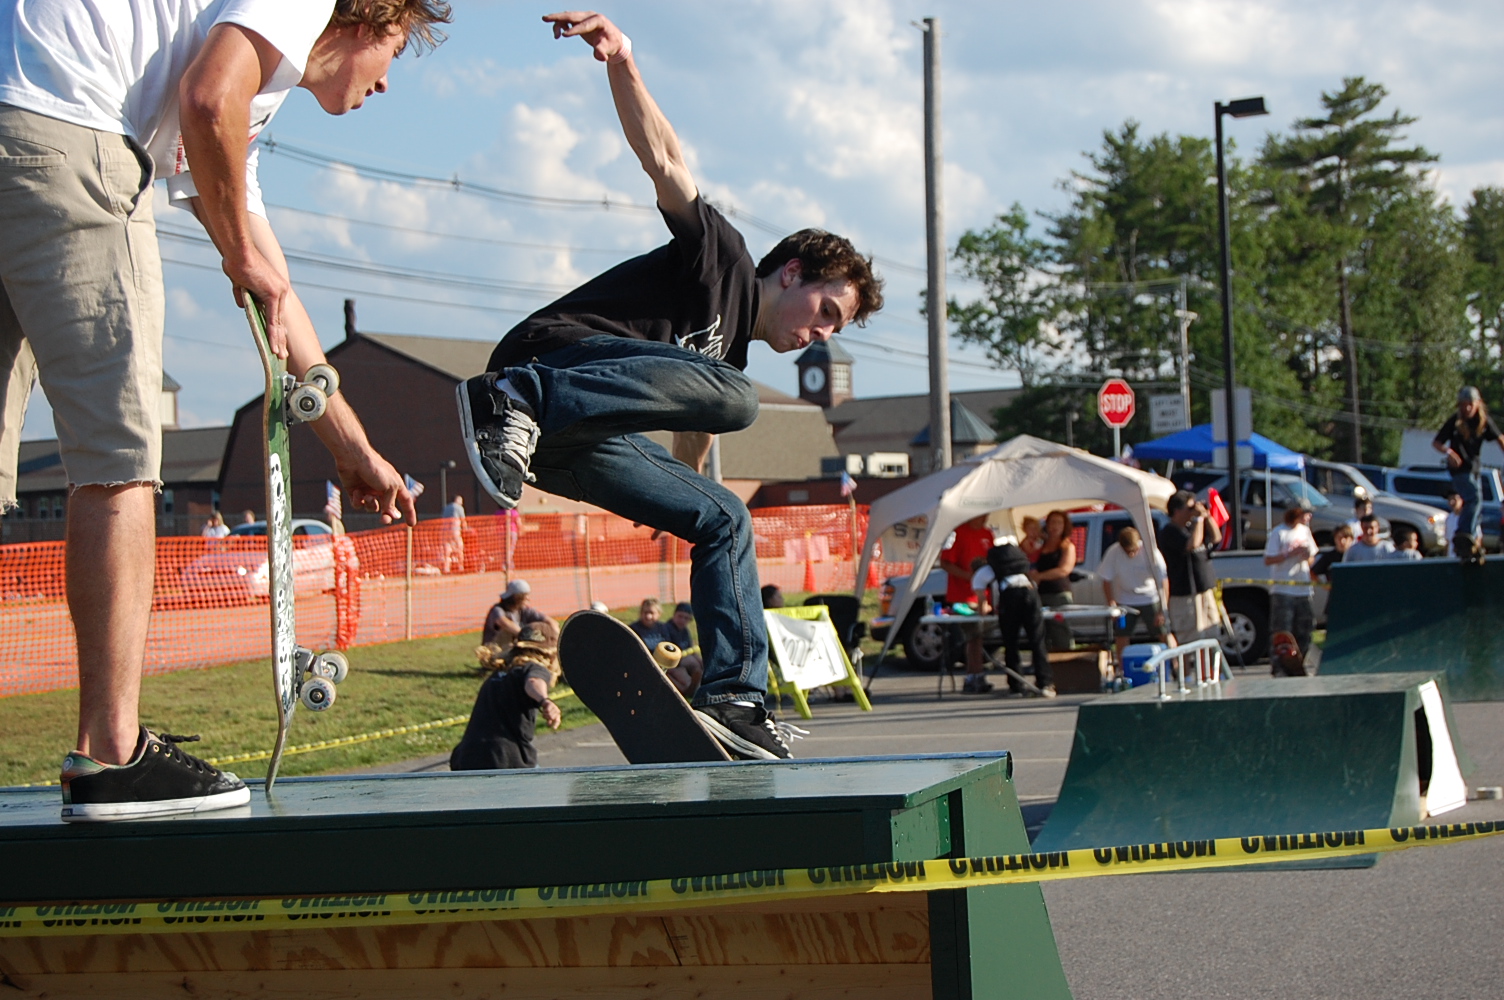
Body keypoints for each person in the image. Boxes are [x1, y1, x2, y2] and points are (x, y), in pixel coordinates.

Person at [2, 0, 444, 822]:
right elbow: (211, 97)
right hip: (72, 131)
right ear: (366, 15)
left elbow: (271, 282)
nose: (388, 83)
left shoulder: (243, 89)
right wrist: (241, 256)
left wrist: (350, 447)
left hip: (20, 115)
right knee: (118, 461)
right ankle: (110, 754)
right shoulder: (284, 16)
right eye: (397, 45)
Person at [454, 13, 883, 759]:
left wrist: (673, 495)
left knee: (723, 516)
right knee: (737, 400)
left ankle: (735, 698)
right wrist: (623, 62)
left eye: (833, 332)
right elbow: (664, 161)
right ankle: (510, 400)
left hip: (563, 445)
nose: (819, 334)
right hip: (541, 367)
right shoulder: (721, 259)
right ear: (791, 273)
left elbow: (689, 427)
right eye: (824, 312)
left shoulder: (725, 361)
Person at [450, 624, 563, 771]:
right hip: (506, 757)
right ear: (550, 654)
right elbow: (533, 682)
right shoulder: (535, 668)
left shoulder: (500, 673)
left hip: (468, 755)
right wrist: (545, 701)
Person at [978, 543, 1054, 698]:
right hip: (1030, 594)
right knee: (1037, 640)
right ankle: (1045, 683)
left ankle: (1016, 686)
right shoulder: (1018, 566)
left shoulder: (981, 574)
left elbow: (982, 606)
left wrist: (985, 610)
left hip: (1010, 597)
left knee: (1011, 642)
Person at [1434, 386, 1502, 559]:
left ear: (1478, 404)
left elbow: (1499, 438)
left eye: (1470, 405)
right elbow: (1437, 443)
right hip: (1459, 471)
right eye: (1463, 405)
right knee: (1474, 498)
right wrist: (1449, 453)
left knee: (1476, 506)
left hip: (1474, 469)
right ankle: (1463, 534)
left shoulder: (1483, 421)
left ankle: (1470, 543)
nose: (1467, 409)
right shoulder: (1455, 421)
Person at [938, 514, 995, 693]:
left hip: (982, 596)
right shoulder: (958, 533)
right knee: (973, 635)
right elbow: (946, 563)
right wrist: (969, 577)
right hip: (963, 597)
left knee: (979, 635)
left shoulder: (987, 534)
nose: (985, 517)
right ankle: (974, 676)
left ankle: (975, 674)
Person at [1097, 526, 1170, 665]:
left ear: (1139, 544)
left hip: (1150, 597)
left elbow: (1164, 581)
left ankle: (1175, 665)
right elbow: (1106, 579)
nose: (1131, 555)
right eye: (1127, 551)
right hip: (1124, 600)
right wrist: (1111, 602)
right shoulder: (1113, 552)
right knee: (1122, 636)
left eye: (1133, 551)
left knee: (1164, 632)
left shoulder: (1151, 551)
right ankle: (1123, 668)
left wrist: (1162, 609)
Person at [1158, 492, 1223, 642]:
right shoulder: (1169, 532)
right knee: (1189, 638)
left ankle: (1208, 667)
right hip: (1185, 593)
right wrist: (1198, 519)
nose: (1193, 511)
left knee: (1210, 636)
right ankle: (1186, 667)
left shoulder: (1193, 527)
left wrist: (1206, 516)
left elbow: (1216, 537)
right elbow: (1192, 544)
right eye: (1190, 508)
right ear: (1177, 510)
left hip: (1204, 589)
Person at [1263, 504, 1319, 670]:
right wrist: (1289, 553)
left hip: (1302, 588)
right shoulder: (1279, 532)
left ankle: (1298, 661)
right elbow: (1268, 559)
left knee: (1306, 627)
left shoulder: (1305, 531)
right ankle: (1279, 665)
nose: (1308, 518)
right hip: (1283, 590)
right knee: (1282, 630)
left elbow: (1311, 559)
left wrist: (1306, 556)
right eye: (1306, 514)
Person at [1030, 510, 1077, 651]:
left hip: (1058, 594)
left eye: (1059, 522)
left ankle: (1066, 660)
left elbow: (1064, 570)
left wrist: (1040, 576)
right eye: (1052, 522)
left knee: (1060, 629)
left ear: (1065, 526)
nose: (1055, 526)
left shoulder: (1067, 546)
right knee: (1041, 630)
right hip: (1039, 593)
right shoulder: (1040, 545)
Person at [483, 580, 557, 648]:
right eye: (525, 596)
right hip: (495, 650)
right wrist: (526, 636)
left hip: (512, 647)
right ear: (516, 597)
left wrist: (556, 637)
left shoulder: (524, 610)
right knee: (508, 633)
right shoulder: (497, 610)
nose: (528, 599)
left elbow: (550, 621)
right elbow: (504, 623)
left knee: (543, 627)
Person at [1443, 489, 1480, 558]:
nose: (1451, 502)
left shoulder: (1468, 517)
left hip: (1465, 558)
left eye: (1454, 499)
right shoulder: (1449, 518)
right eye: (1449, 500)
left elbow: (1477, 538)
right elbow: (1448, 541)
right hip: (1452, 558)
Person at [440, 494, 466, 574]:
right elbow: (463, 520)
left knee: (447, 550)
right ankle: (460, 567)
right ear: (457, 500)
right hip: (455, 530)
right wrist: (465, 529)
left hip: (445, 531)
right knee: (459, 548)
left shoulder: (446, 508)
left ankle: (446, 568)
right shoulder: (459, 508)